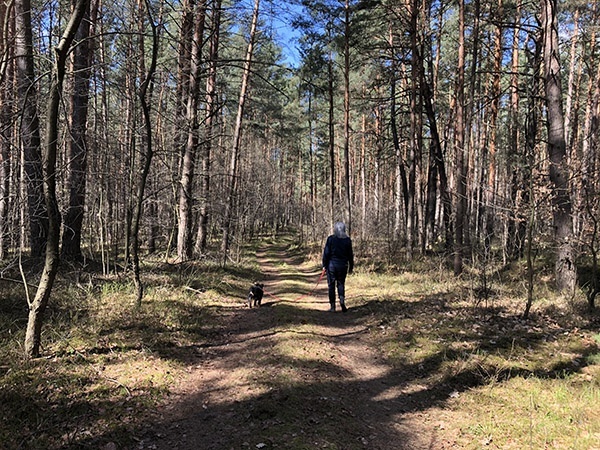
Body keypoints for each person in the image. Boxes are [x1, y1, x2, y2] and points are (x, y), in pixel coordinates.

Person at [322, 221, 354, 312]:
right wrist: (351, 266)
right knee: (341, 284)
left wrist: (324, 265)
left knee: (331, 285)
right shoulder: (347, 240)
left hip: (331, 266)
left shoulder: (330, 239)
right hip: (343, 266)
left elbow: (326, 253)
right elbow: (350, 255)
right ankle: (342, 301)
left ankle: (332, 306)